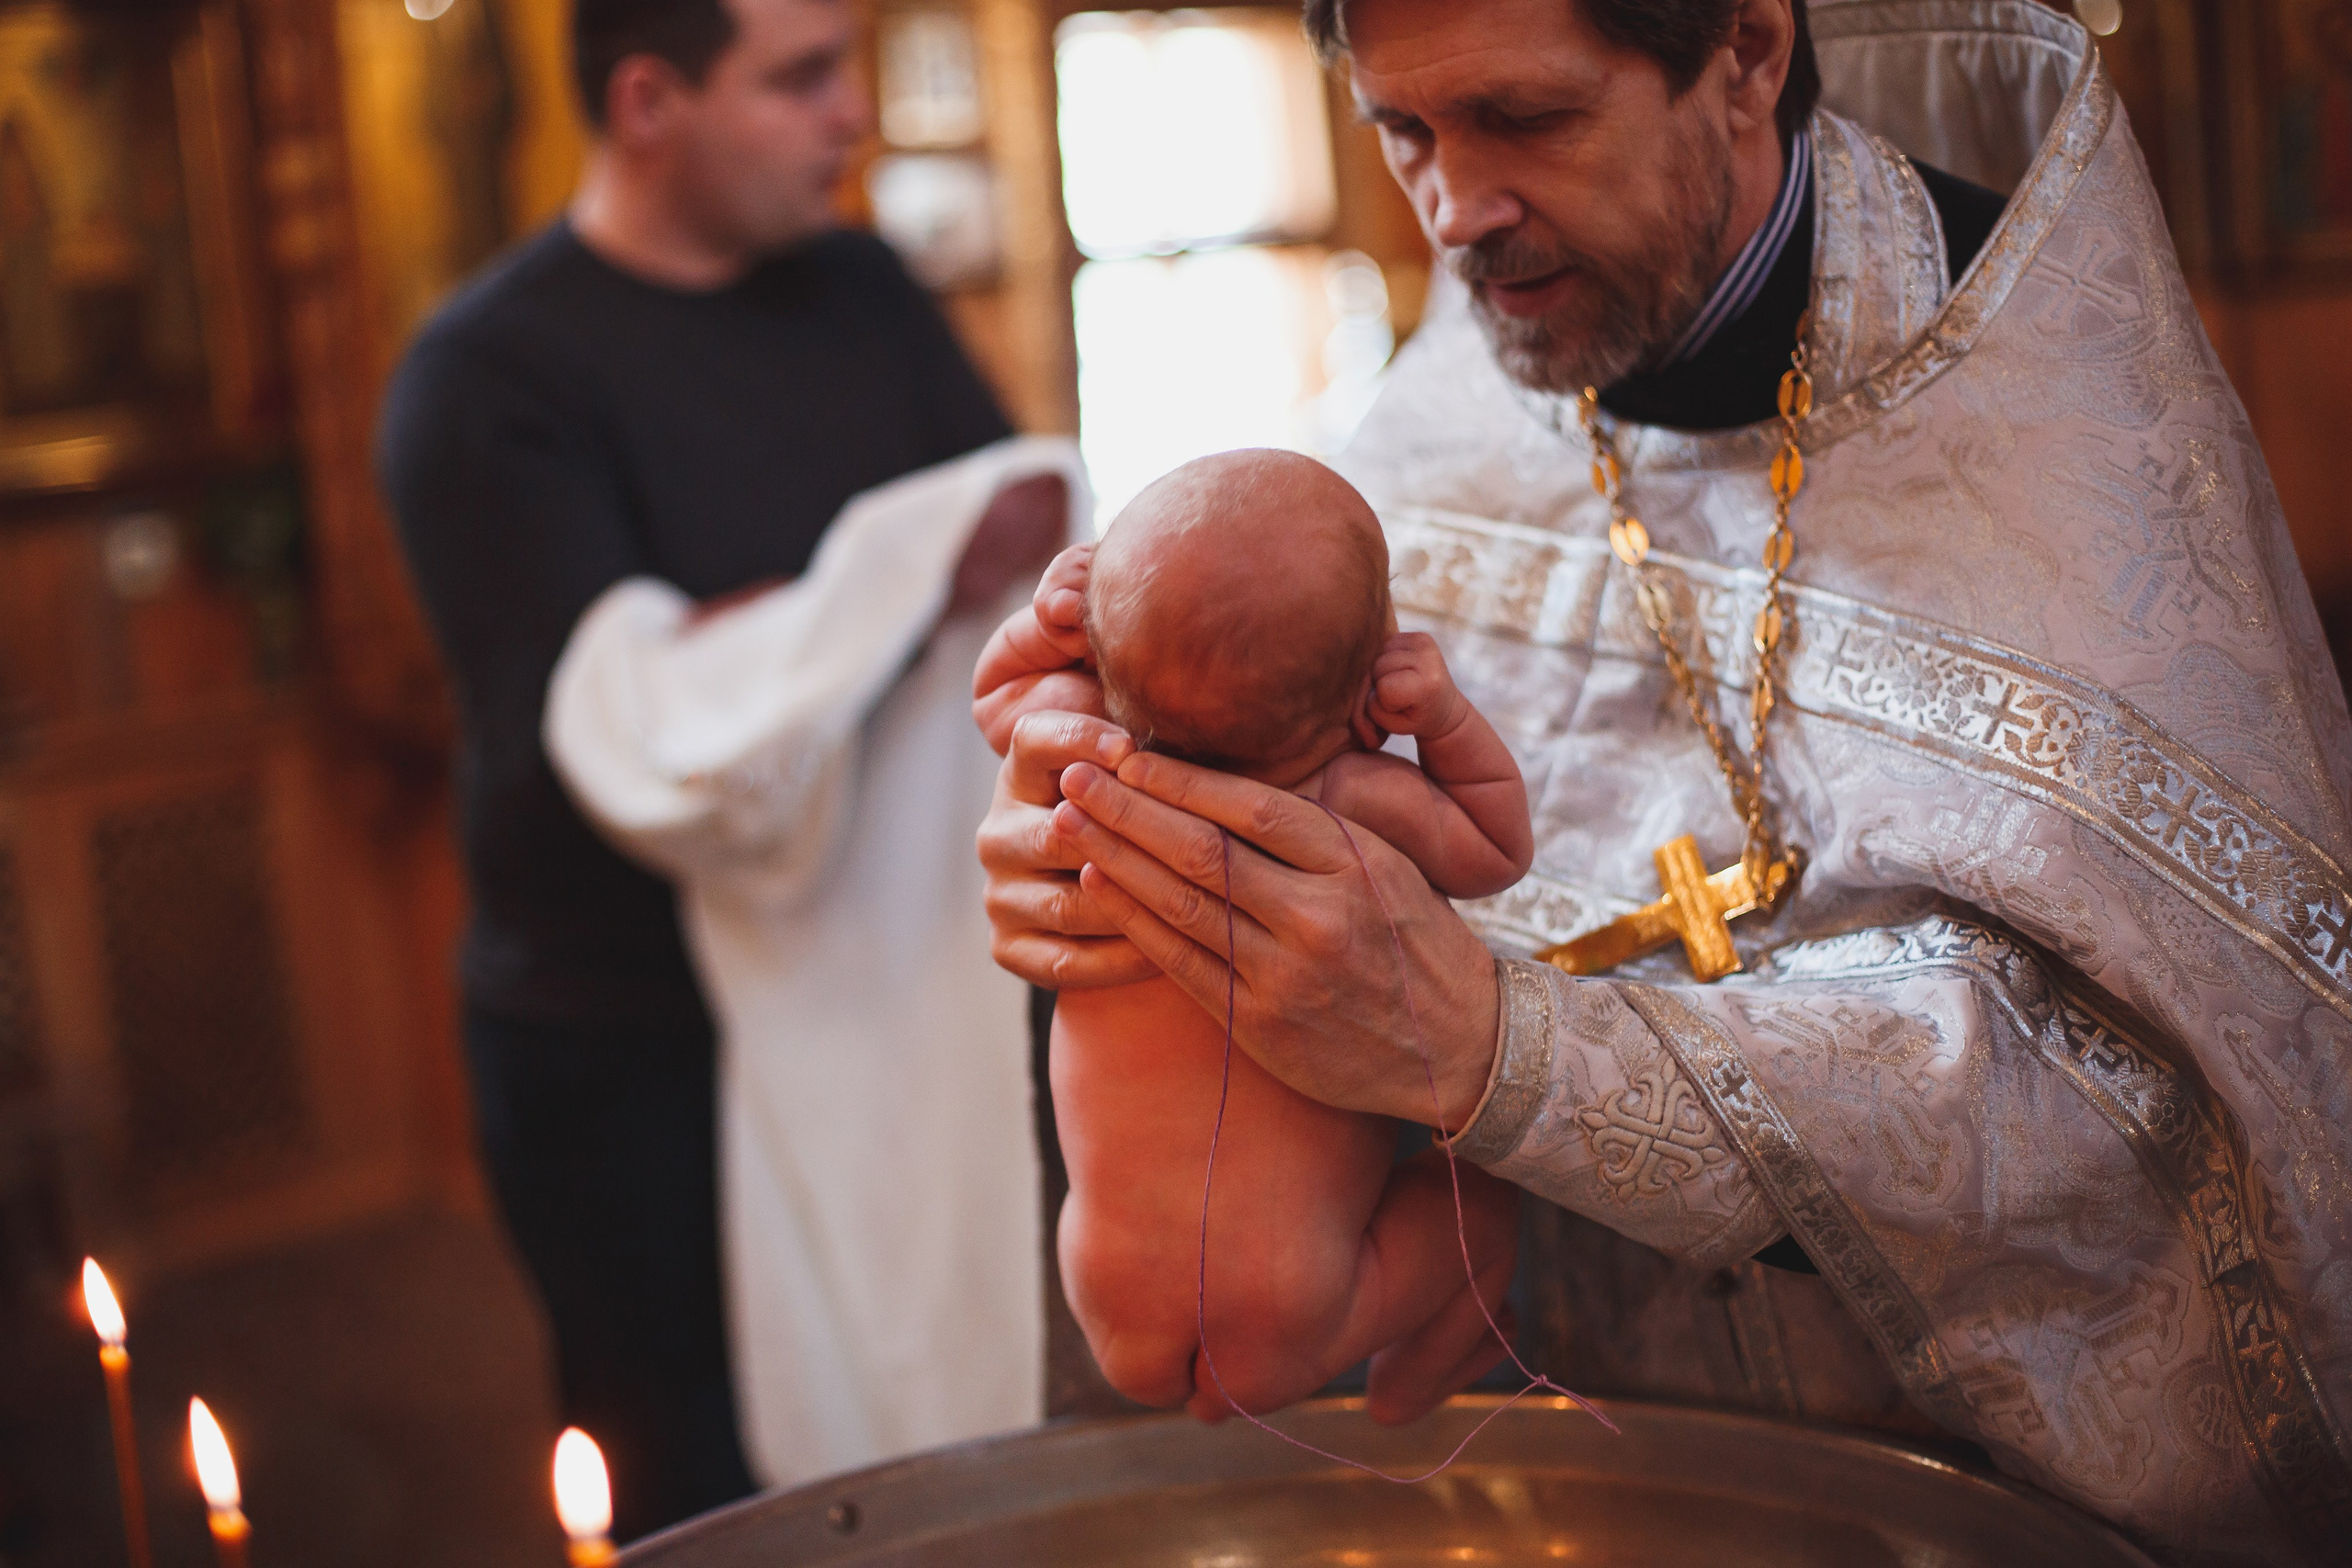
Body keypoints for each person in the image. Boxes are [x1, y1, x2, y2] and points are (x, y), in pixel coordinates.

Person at [975, 0, 2352, 1562]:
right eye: (1404, 132)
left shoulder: (2050, 434)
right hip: (1561, 1466)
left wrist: (1513, 1050)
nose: (1455, 209)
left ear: (1748, 55)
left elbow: (2178, 1118)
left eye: (1526, 119)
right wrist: (1100, 846)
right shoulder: (1432, 431)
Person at [379, 0, 1059, 1535]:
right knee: (701, 1486)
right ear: (646, 100)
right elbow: (635, 733)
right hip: (626, 1042)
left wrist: (807, 621)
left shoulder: (862, 286)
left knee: (938, 1454)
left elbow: (1000, 541)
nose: (851, 118)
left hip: (896, 979)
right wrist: (868, 597)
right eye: (803, 79)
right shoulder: (485, 379)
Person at [974, 451, 1529, 1427]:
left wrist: (1035, 629)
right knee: (1484, 1202)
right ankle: (1410, 1385)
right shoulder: (1359, 800)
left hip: (1106, 1296)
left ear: (1101, 655)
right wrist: (1441, 720)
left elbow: (997, 704)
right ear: (1373, 670)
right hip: (1302, 1306)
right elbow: (1494, 849)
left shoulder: (1091, 777)